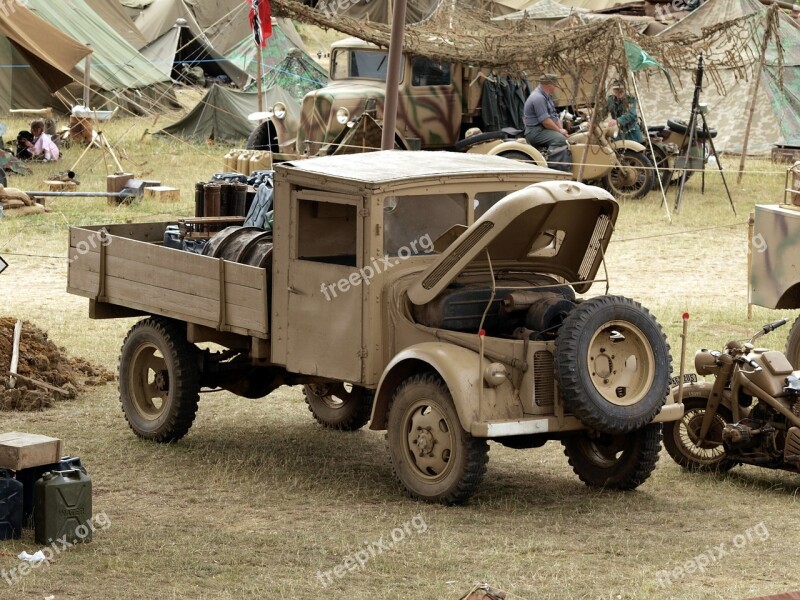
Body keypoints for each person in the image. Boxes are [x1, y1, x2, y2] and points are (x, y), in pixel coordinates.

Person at [523, 73, 572, 173]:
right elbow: (545, 121)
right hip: (535, 131)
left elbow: (554, 116)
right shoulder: (538, 98)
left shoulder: (546, 96)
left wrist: (561, 130)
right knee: (560, 140)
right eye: (554, 84)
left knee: (565, 137)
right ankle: (553, 169)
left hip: (542, 129)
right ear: (550, 85)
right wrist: (559, 131)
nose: (555, 87)